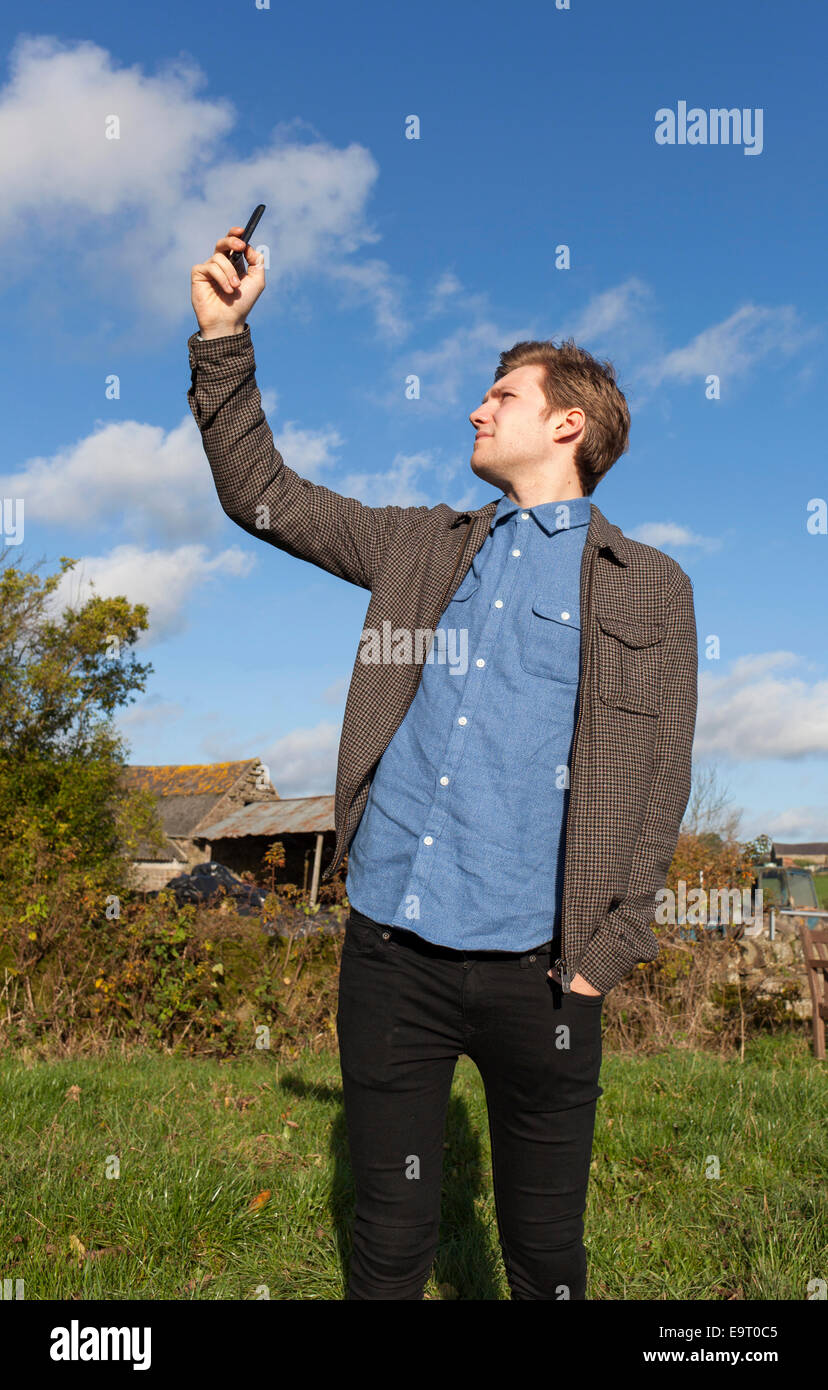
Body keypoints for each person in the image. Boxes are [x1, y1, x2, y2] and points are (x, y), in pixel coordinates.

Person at [189, 226, 698, 1300]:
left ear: (568, 422)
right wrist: (223, 338)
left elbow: (662, 781)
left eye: (500, 396)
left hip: (547, 975)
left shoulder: (649, 585)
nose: (476, 408)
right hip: (393, 956)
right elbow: (263, 494)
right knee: (388, 1244)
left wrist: (606, 953)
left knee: (546, 1259)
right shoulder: (420, 547)